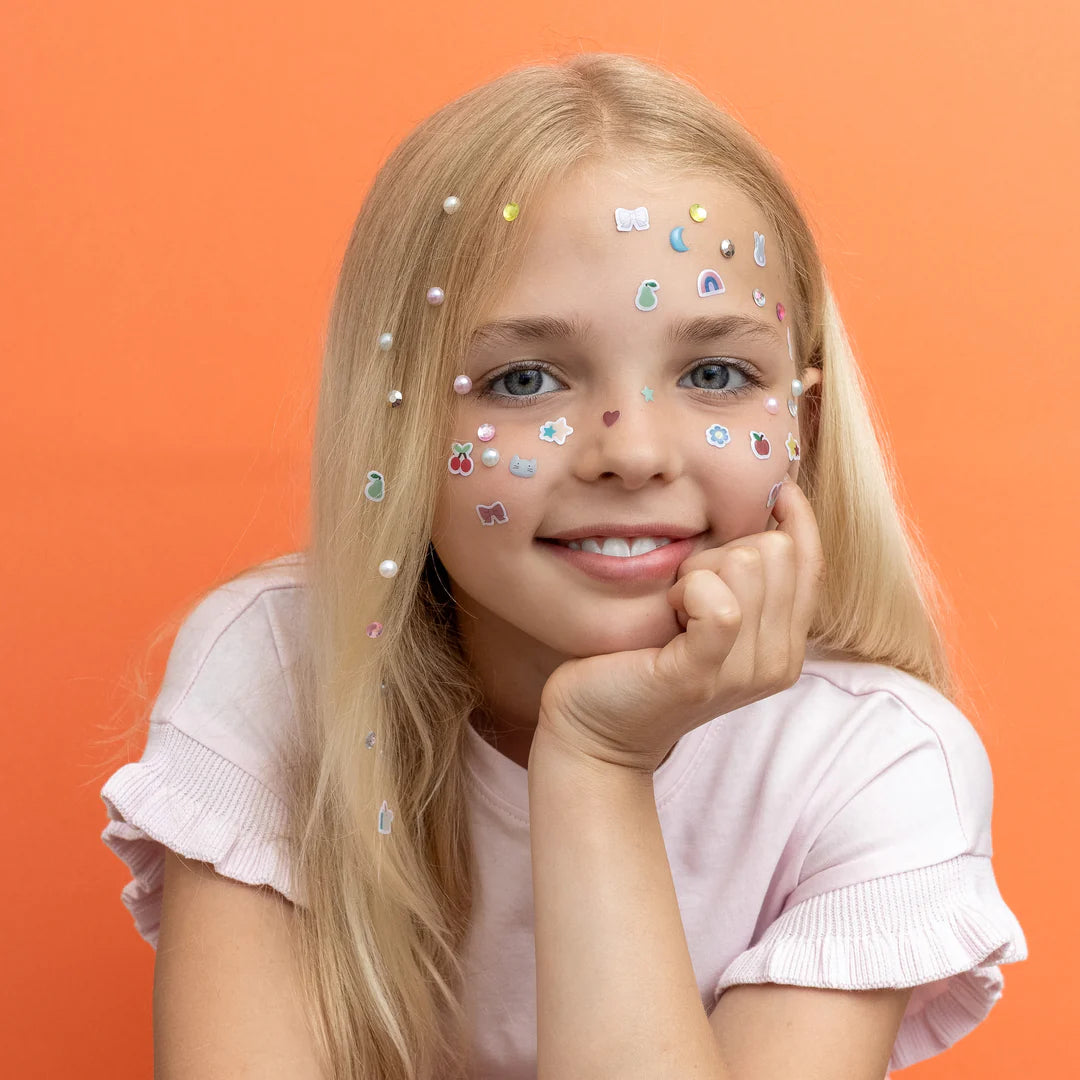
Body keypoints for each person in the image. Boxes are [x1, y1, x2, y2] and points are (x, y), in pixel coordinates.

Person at [98, 52, 1028, 1080]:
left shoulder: (876, 766)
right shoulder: (280, 675)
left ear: (801, 417)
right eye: (525, 379)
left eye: (716, 371)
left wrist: (598, 762)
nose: (633, 451)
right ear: (397, 414)